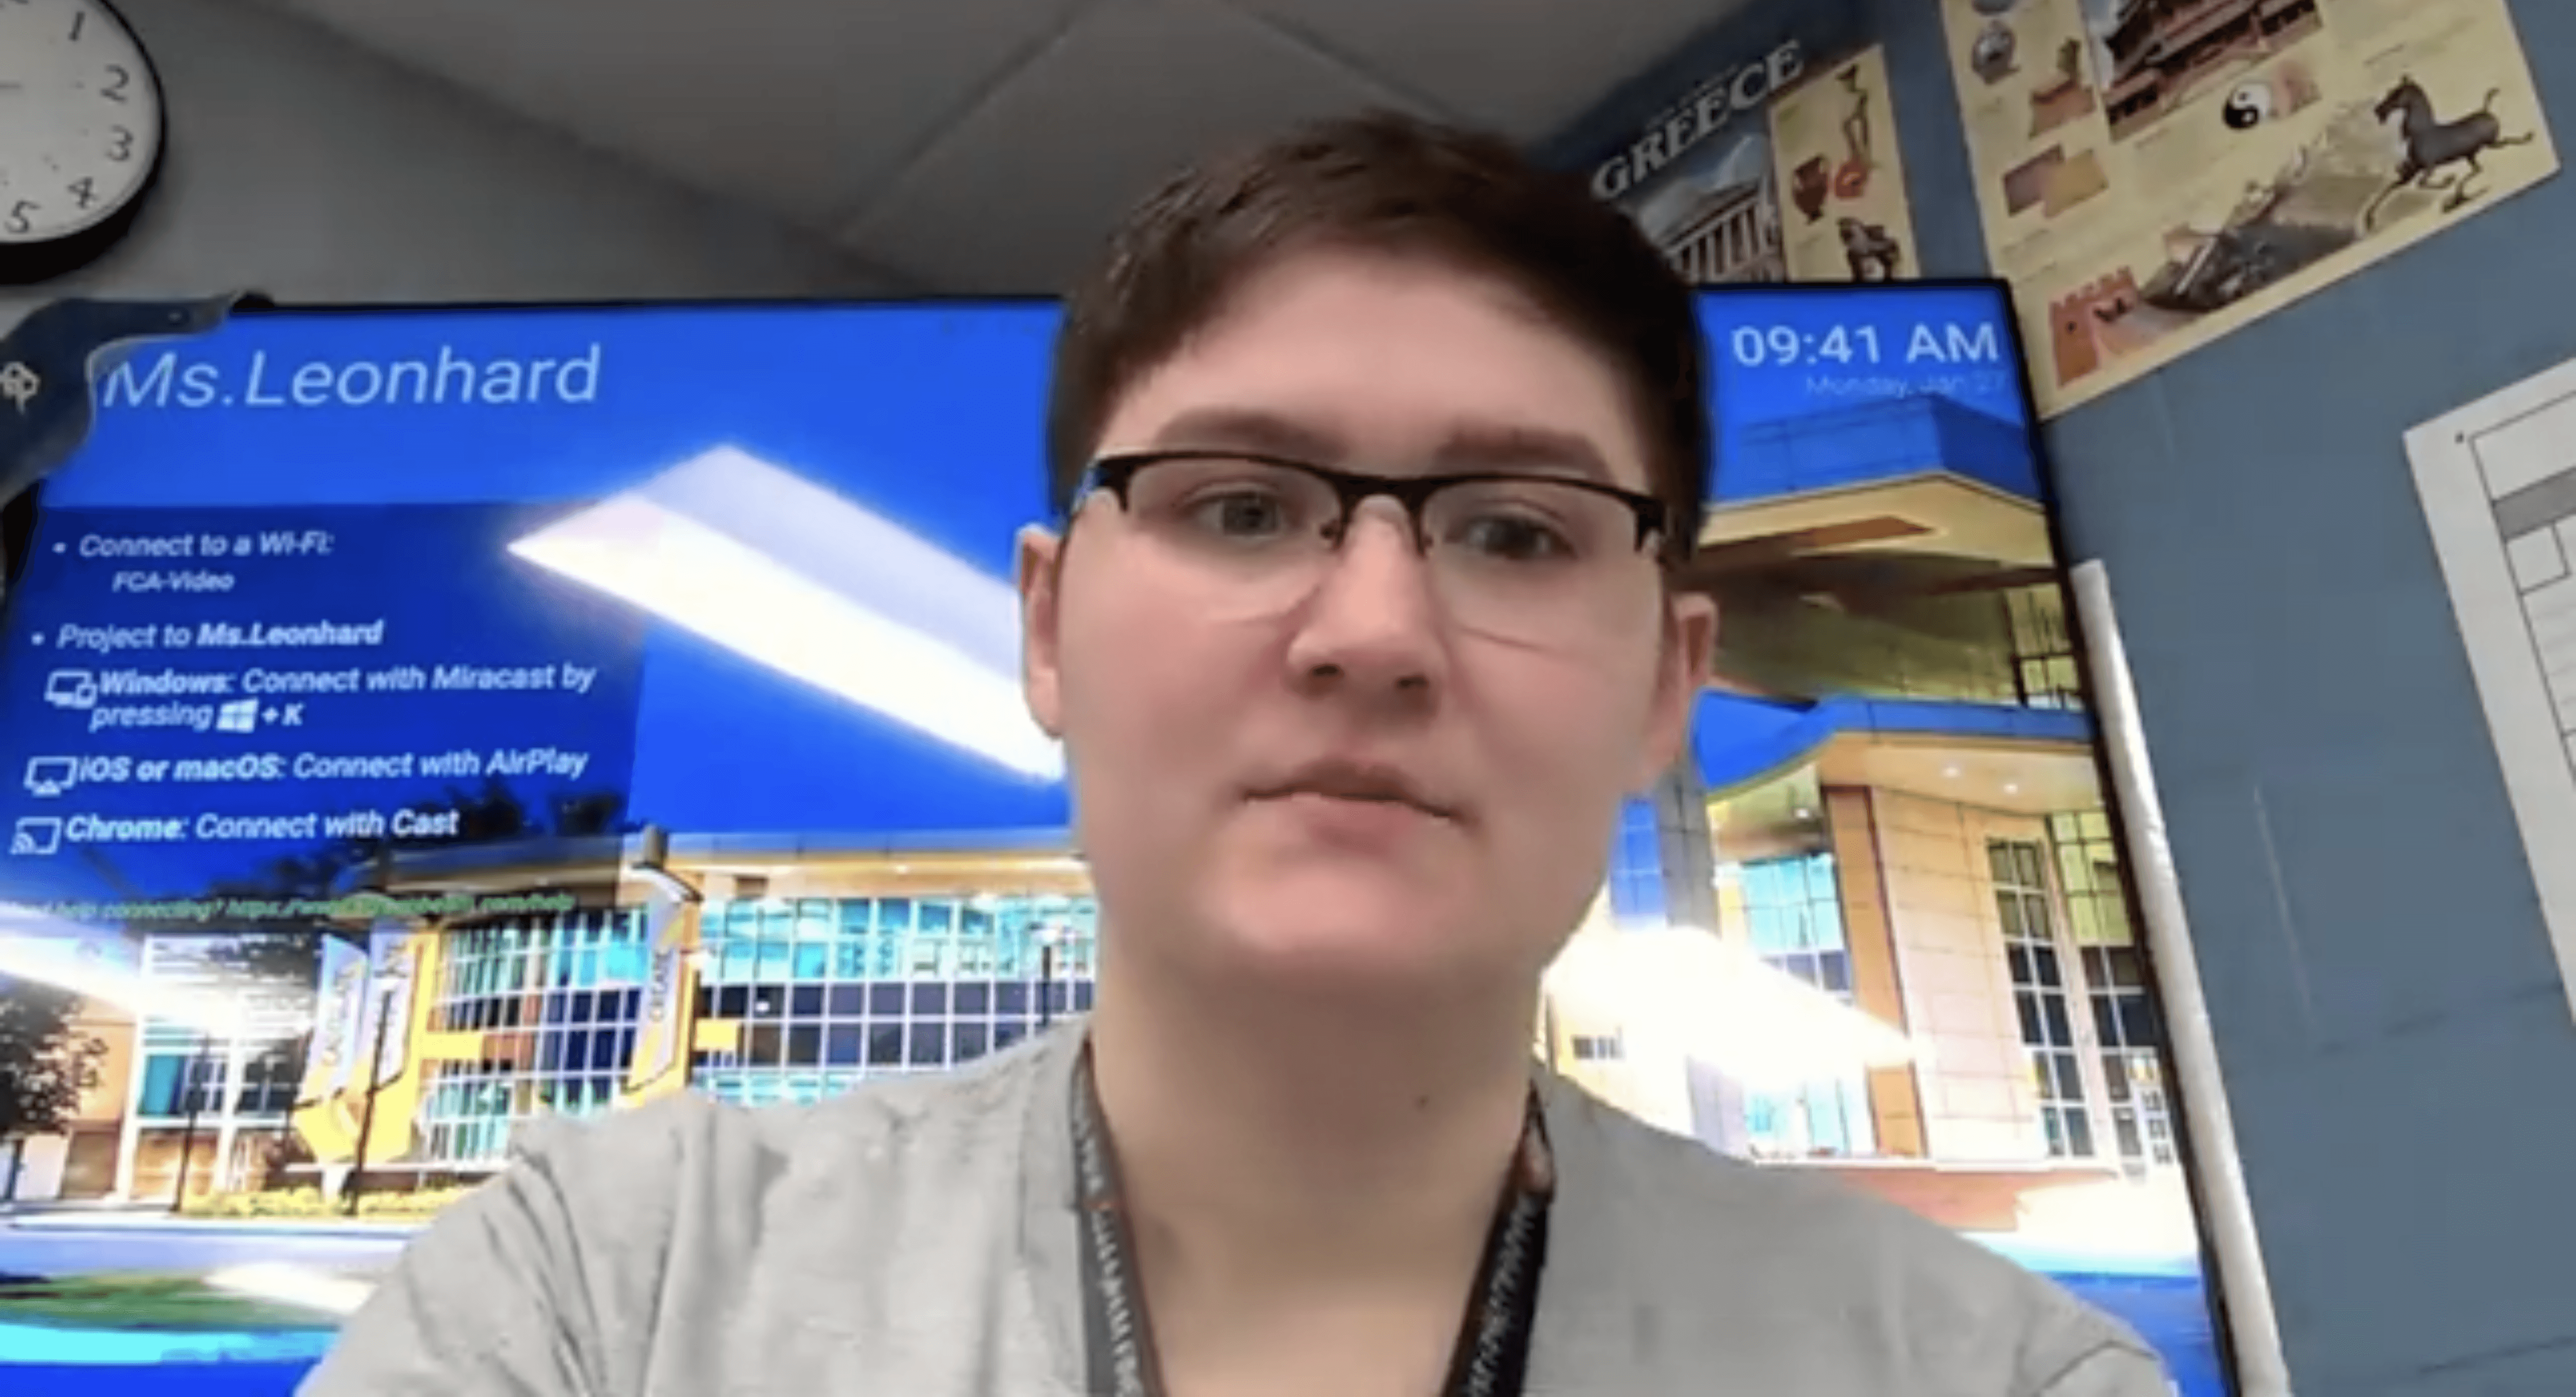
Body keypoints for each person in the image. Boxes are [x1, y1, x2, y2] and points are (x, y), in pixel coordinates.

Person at [302, 112, 2173, 1397]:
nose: (1372, 628)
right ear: (1049, 630)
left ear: (1664, 690)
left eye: (1513, 531)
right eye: (1242, 508)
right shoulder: (601, 1294)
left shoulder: (1994, 1374)